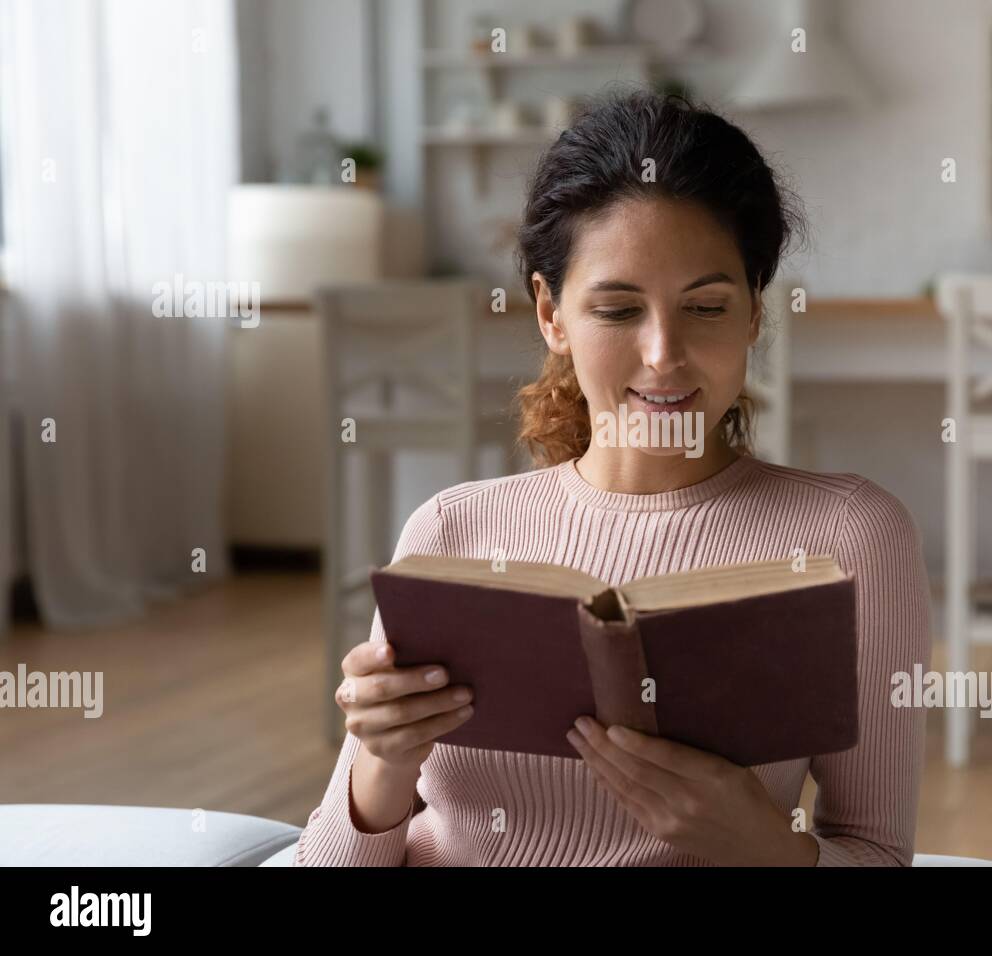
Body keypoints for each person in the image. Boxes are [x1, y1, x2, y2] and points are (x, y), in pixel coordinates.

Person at [295, 88, 932, 866]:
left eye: (705, 307)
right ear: (550, 314)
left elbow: (877, 851)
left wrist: (766, 846)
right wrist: (382, 761)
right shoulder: (450, 531)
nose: (664, 352)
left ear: (754, 315)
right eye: (619, 310)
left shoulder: (848, 537)